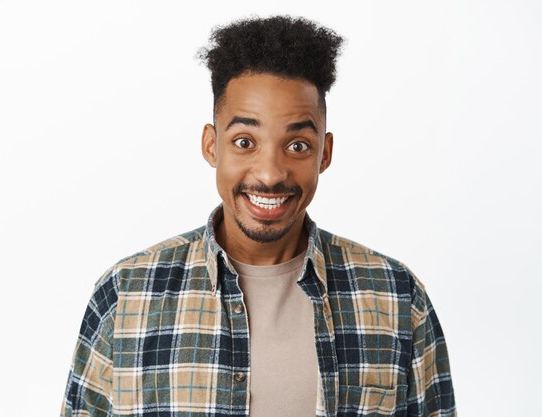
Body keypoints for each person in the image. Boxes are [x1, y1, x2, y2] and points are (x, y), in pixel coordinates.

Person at [60, 15, 456, 417]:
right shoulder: (126, 296)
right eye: (245, 141)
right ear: (212, 146)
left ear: (325, 153)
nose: (270, 173)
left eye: (298, 145)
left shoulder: (397, 298)